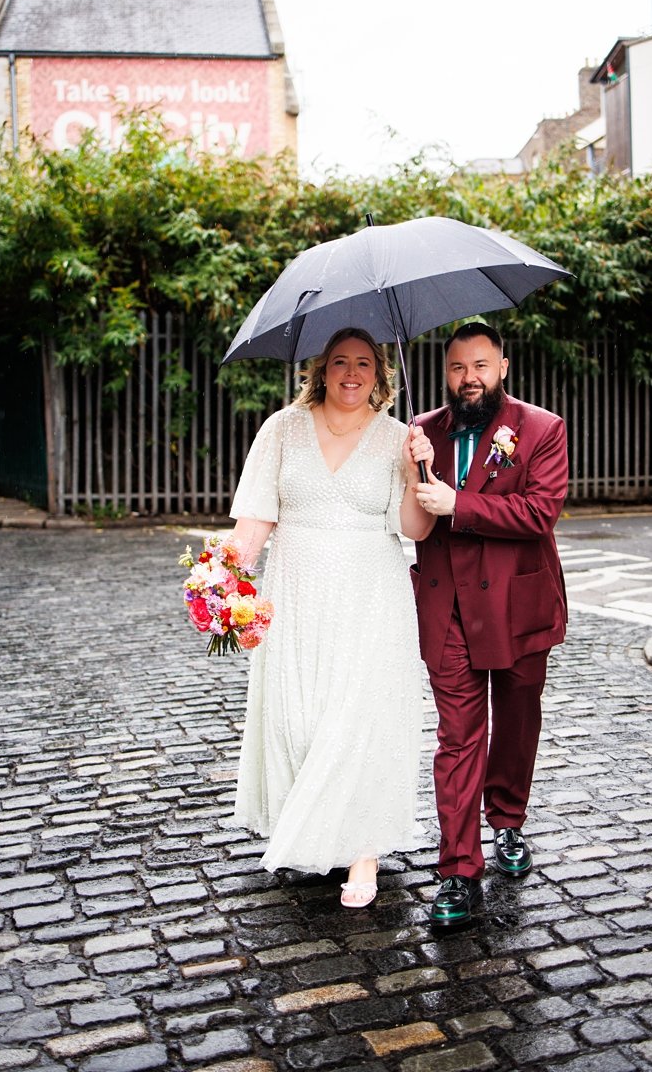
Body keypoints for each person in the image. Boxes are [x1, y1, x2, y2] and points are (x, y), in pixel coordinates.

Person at [227, 328, 435, 908]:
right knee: (301, 717)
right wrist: (224, 590)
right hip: (297, 592)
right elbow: (252, 524)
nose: (351, 373)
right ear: (321, 368)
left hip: (373, 594)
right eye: (340, 361)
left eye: (363, 363)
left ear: (379, 373)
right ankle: (320, 825)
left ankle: (364, 851)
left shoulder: (400, 438)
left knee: (361, 718)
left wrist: (420, 471)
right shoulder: (282, 428)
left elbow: (415, 529)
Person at [406, 322, 569, 932]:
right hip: (447, 608)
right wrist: (418, 478)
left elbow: (539, 512)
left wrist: (460, 505)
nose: (468, 378)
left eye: (480, 365)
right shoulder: (422, 433)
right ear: (445, 374)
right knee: (458, 739)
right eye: (456, 368)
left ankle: (508, 821)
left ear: (504, 366)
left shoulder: (542, 429)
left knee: (517, 726)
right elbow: (412, 520)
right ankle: (456, 871)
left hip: (519, 607)